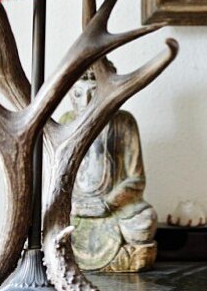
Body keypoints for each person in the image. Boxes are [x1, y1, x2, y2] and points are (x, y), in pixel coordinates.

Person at [64, 67, 158, 272]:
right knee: (42, 225)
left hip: (114, 208)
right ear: (70, 94)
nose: (86, 102)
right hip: (74, 207)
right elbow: (54, 178)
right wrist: (73, 205)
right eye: (79, 94)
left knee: (145, 221)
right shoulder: (64, 123)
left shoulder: (123, 122)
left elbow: (136, 179)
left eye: (94, 94)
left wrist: (107, 204)